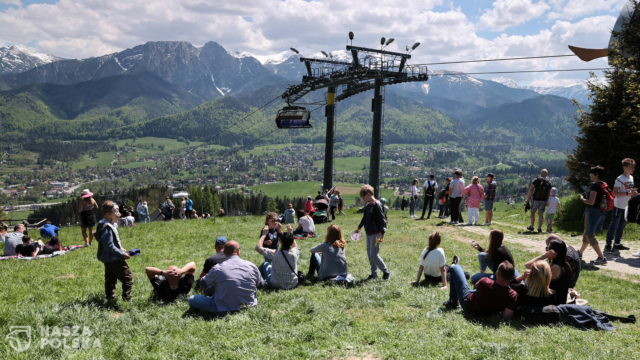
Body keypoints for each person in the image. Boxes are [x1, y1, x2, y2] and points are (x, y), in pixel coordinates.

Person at [188, 241, 262, 314]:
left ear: (224, 253)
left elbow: (203, 283)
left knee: (193, 298)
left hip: (223, 309)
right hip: (249, 306)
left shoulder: (218, 268)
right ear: (238, 251)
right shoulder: (252, 266)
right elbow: (260, 284)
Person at [443, 260, 518, 318]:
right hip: (487, 313)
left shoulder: (485, 281)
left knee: (455, 267)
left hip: (469, 306)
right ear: (511, 278)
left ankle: (453, 301)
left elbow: (476, 286)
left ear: (497, 273)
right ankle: (453, 301)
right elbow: (506, 315)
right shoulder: (513, 294)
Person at [96, 200, 133, 302]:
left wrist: (121, 248)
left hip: (108, 258)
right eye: (116, 211)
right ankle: (127, 299)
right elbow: (109, 245)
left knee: (110, 279)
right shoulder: (107, 227)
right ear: (108, 214)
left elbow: (110, 243)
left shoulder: (108, 224)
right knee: (128, 278)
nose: (119, 214)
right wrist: (121, 253)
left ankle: (110, 298)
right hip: (114, 258)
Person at [354, 184, 390, 280]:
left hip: (377, 234)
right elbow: (364, 218)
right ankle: (374, 274)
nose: (363, 198)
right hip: (369, 233)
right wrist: (359, 227)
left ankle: (386, 271)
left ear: (369, 194)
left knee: (374, 254)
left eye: (364, 196)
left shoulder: (376, 204)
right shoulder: (368, 205)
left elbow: (383, 221)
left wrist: (382, 234)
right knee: (370, 254)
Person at [525, 237, 574, 304]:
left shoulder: (555, 268)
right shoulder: (566, 264)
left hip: (553, 302)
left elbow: (528, 265)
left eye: (547, 248)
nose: (546, 250)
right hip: (558, 299)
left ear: (552, 252)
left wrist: (544, 256)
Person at [605, 158, 637, 253]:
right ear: (625, 167)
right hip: (618, 206)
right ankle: (608, 245)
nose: (633, 169)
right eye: (631, 167)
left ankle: (617, 244)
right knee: (614, 226)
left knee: (621, 226)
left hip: (627, 206)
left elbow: (629, 191)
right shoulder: (619, 179)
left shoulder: (631, 178)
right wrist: (628, 194)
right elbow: (615, 193)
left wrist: (633, 193)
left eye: (633, 167)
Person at [579, 165, 608, 265]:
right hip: (600, 212)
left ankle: (601, 257)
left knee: (590, 234)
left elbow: (591, 202)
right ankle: (579, 253)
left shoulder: (595, 185)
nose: (590, 175)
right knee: (587, 233)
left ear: (596, 174)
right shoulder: (604, 184)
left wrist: (582, 199)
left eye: (591, 173)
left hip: (592, 212)